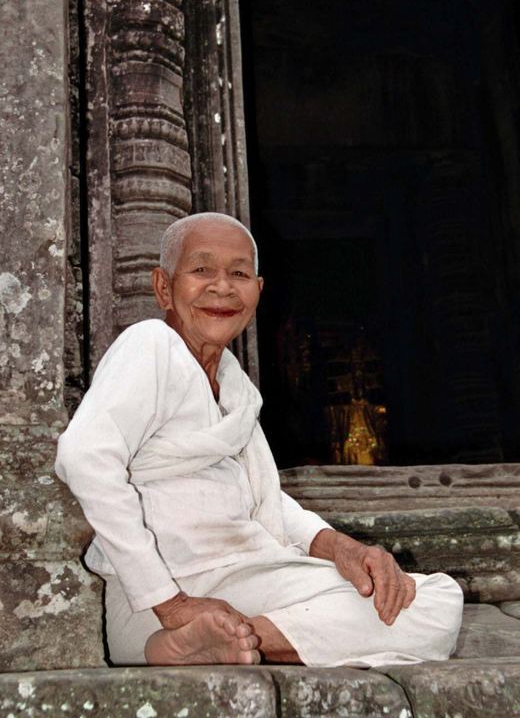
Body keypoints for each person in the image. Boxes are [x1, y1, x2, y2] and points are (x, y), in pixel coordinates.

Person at [55, 212, 463, 666]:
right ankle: (195, 639)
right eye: (201, 269)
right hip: (156, 596)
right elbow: (84, 456)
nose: (222, 287)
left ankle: (213, 644)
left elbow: (266, 502)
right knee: (425, 609)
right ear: (163, 287)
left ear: (258, 292)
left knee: (434, 597)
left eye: (239, 274)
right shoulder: (151, 344)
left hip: (241, 587)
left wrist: (343, 548)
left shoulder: (235, 388)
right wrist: (171, 604)